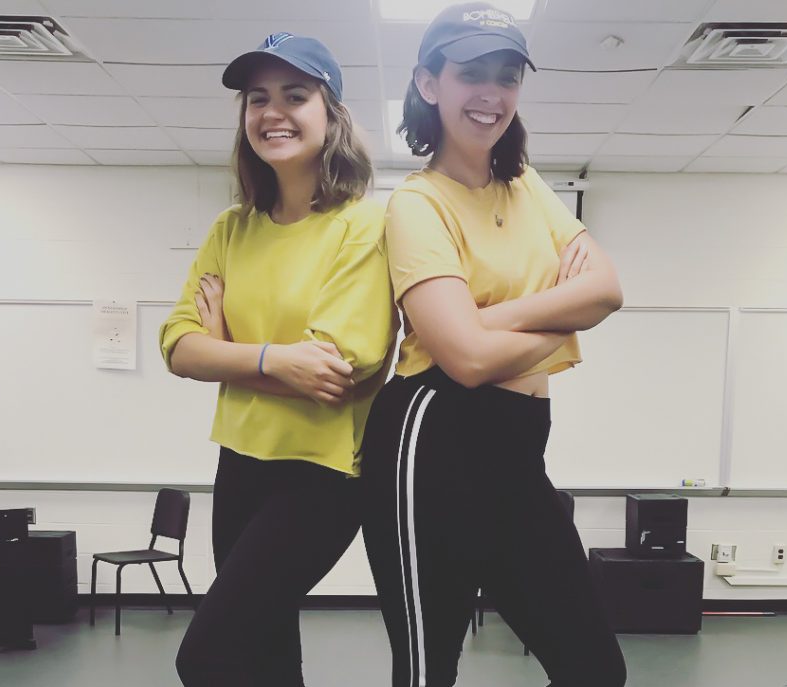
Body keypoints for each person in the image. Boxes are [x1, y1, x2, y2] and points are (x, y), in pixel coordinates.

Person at [359, 4, 628, 686]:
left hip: (517, 446)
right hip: (432, 438)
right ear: (428, 84)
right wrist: (565, 320)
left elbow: (608, 289)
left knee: (595, 666)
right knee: (428, 670)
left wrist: (496, 319)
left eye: (507, 76)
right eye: (471, 73)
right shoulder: (417, 204)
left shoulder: (527, 183)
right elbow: (466, 359)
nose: (492, 94)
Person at [159, 32, 397, 686]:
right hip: (239, 462)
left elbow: (334, 365)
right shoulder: (230, 230)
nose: (273, 112)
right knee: (266, 656)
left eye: (296, 95)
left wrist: (228, 346)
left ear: (332, 114)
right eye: (256, 98)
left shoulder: (362, 225)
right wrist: (267, 358)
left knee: (207, 655)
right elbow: (178, 344)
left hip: (319, 476)